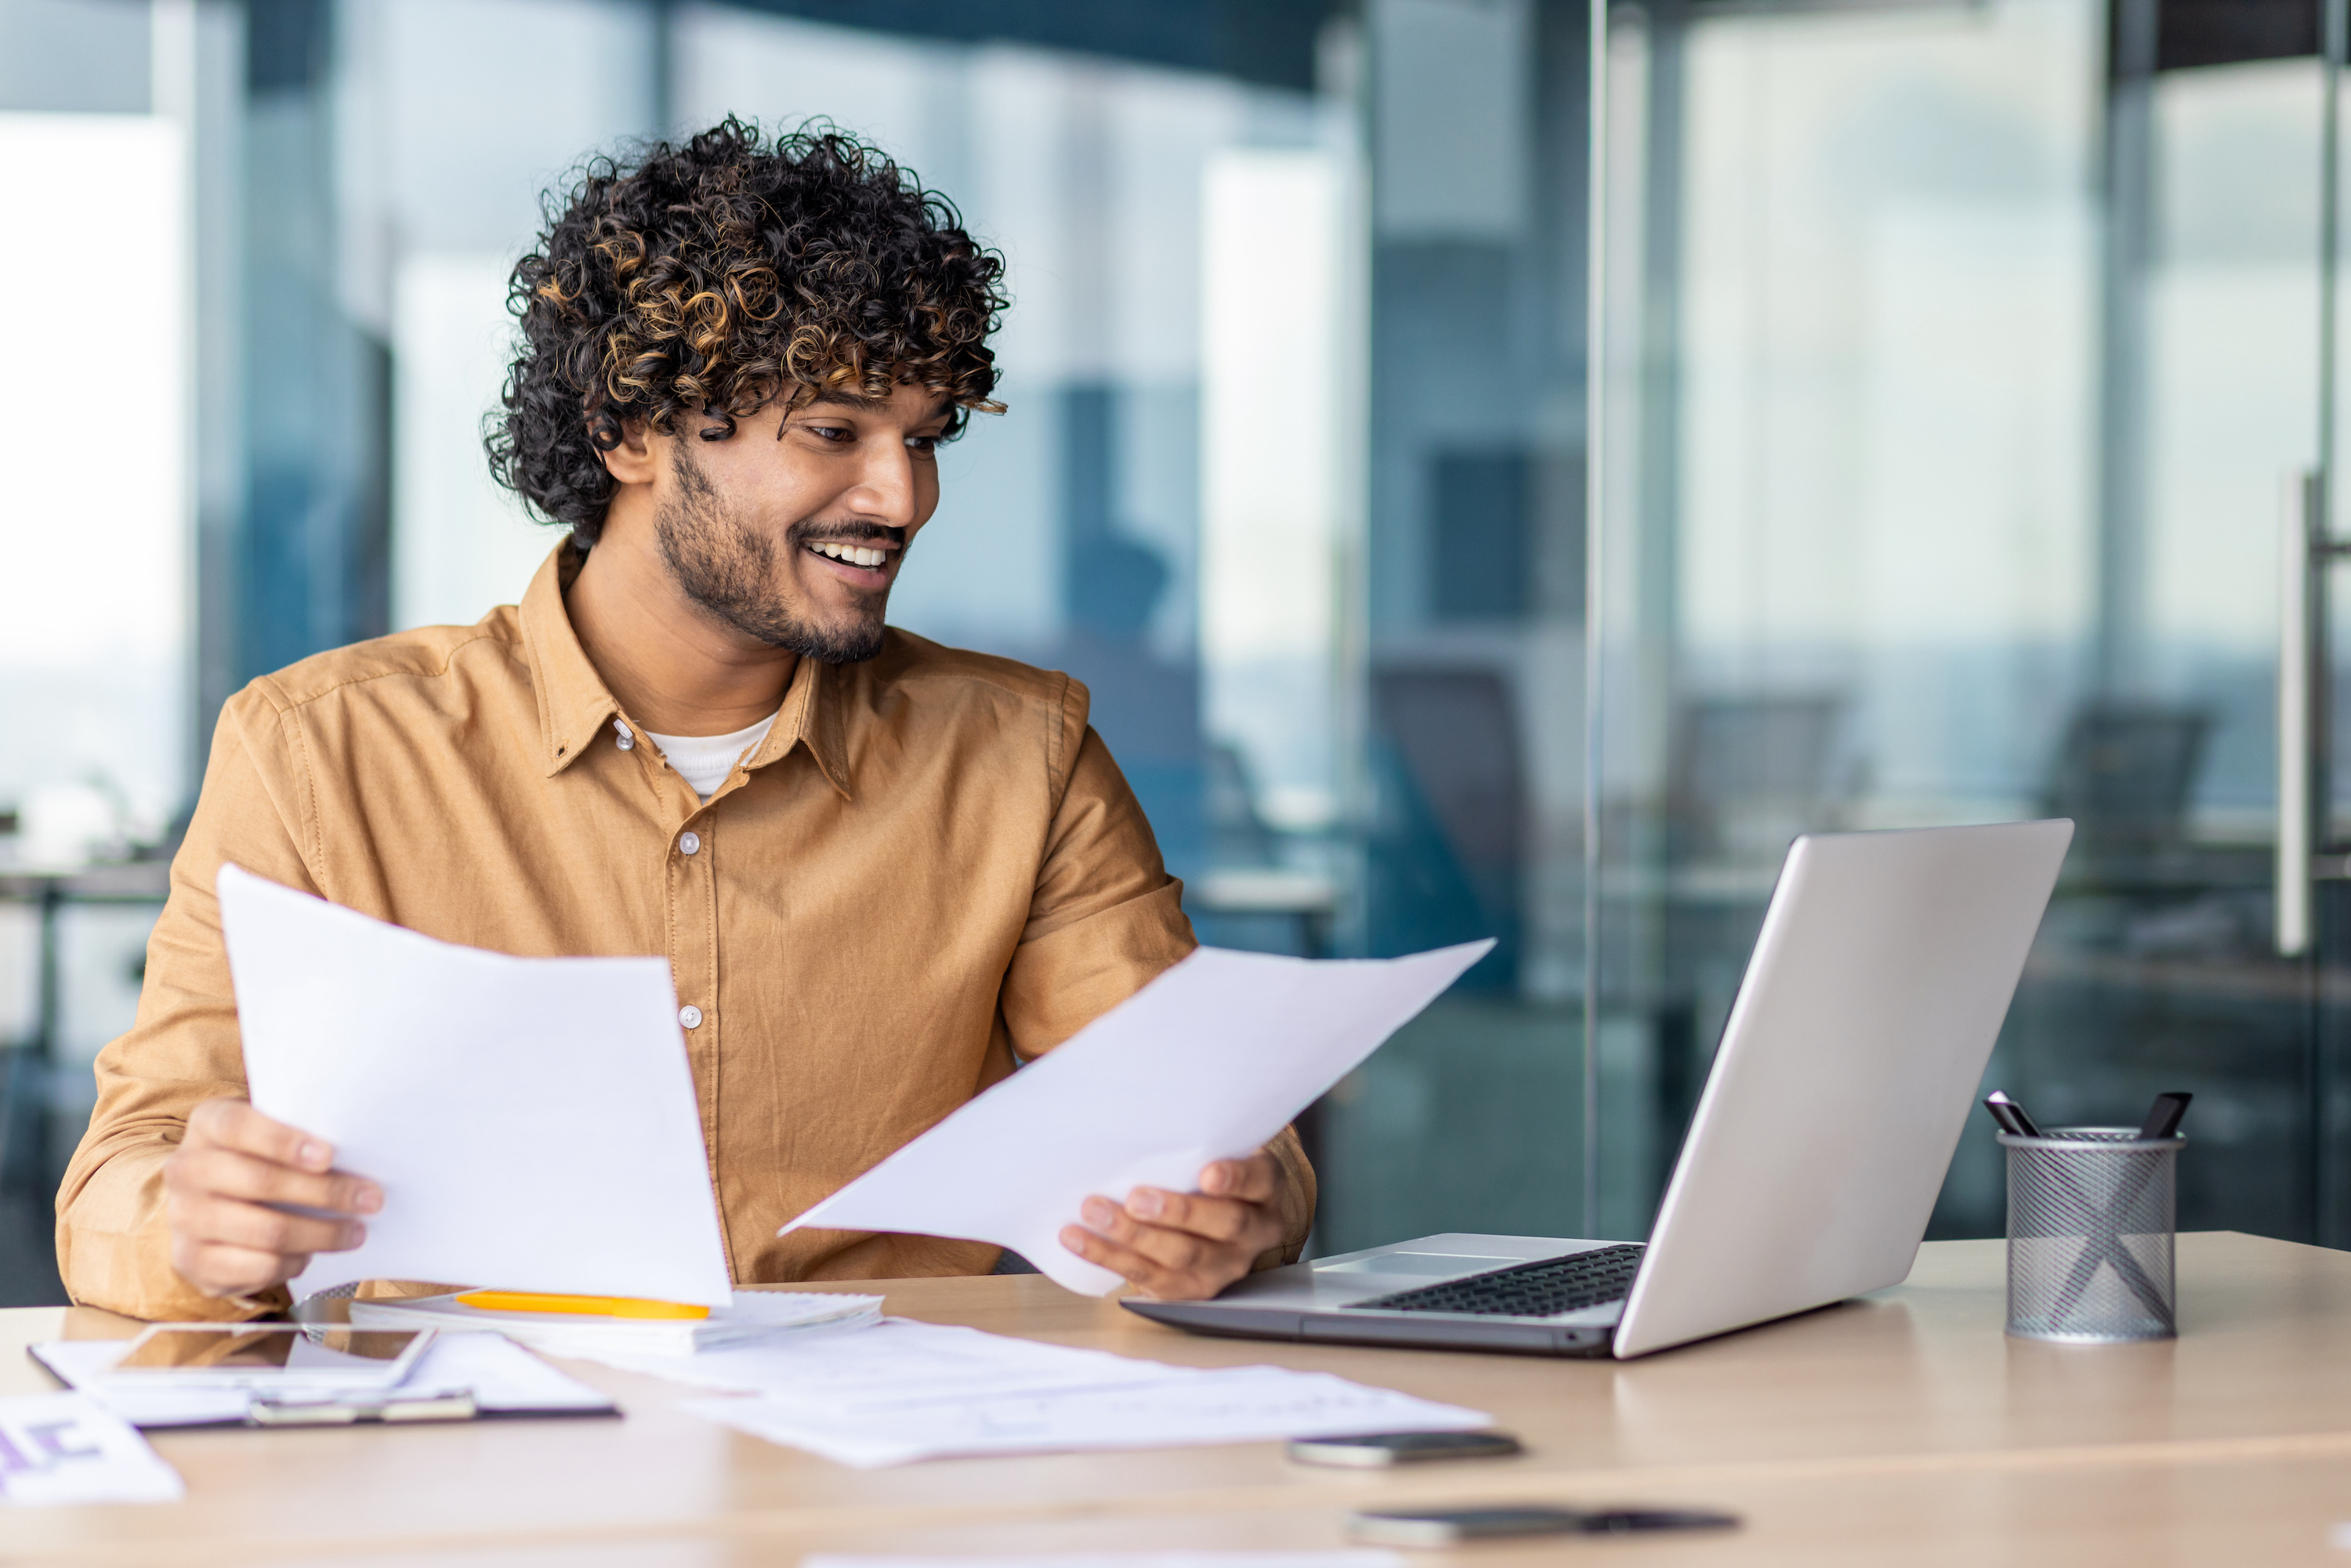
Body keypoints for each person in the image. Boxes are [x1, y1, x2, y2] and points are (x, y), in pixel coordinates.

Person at [56, 121, 1312, 1320]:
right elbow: (123, 1175)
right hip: (484, 1484)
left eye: (923, 440)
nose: (901, 497)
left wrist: (1238, 1206)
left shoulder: (1021, 758)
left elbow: (1216, 1136)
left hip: (894, 1480)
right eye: (834, 431)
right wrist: (191, 1216)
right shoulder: (320, 753)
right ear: (630, 429)